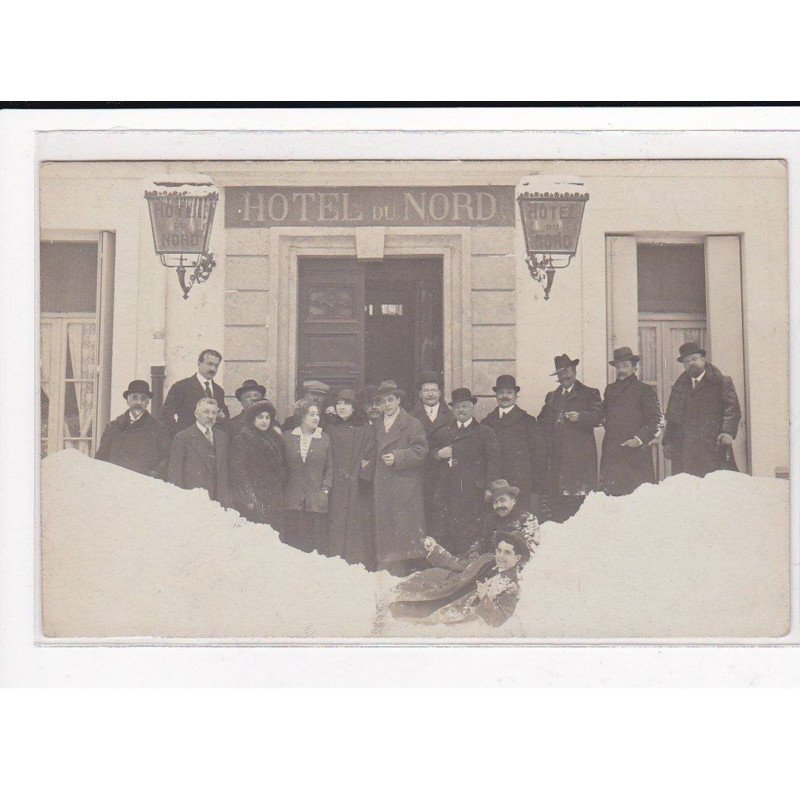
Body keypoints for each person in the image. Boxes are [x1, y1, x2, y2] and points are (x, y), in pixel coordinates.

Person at [388, 529, 534, 628]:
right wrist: (435, 549)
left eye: (507, 553)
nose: (500, 556)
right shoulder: (488, 559)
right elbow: (459, 564)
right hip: (448, 590)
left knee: (411, 619)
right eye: (499, 550)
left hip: (457, 609)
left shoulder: (511, 587)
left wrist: (483, 598)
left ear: (518, 557)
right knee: (399, 601)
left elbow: (498, 619)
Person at [429, 387, 501, 555]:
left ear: (472, 407)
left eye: (465, 406)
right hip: (448, 492)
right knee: (448, 532)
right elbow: (429, 454)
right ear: (453, 409)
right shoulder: (443, 432)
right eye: (457, 407)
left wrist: (490, 488)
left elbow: (494, 463)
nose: (461, 410)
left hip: (474, 492)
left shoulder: (485, 432)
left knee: (472, 532)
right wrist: (438, 454)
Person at [538, 354, 603, 523]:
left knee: (579, 506)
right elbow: (542, 421)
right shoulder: (552, 397)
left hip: (579, 462)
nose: (564, 376)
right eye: (560, 373)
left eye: (567, 371)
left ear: (574, 371)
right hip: (557, 461)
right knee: (558, 506)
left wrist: (581, 417)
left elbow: (599, 417)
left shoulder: (589, 393)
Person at [373, 380, 429, 575]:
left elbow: (421, 451)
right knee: (386, 525)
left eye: (390, 400)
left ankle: (402, 569)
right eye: (382, 401)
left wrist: (398, 456)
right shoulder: (377, 423)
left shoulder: (412, 423)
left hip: (404, 485)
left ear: (398, 400)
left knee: (403, 527)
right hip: (383, 483)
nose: (386, 405)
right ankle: (388, 566)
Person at [662, 342, 742, 477]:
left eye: (694, 359)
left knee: (714, 486)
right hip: (684, 447)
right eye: (687, 361)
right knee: (687, 488)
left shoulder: (721, 381)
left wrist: (727, 432)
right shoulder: (679, 386)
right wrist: (668, 442)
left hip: (713, 444)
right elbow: (672, 416)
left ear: (703, 360)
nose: (691, 363)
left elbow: (732, 409)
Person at [600, 346, 663, 496]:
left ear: (634, 367)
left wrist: (638, 440)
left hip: (636, 455)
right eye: (618, 366)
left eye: (625, 366)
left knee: (638, 499)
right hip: (613, 453)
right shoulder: (610, 390)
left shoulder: (645, 390)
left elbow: (657, 420)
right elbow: (604, 415)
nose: (621, 370)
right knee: (613, 500)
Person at [481, 374, 547, 516]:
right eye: (501, 392)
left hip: (520, 482)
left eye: (509, 392)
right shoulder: (487, 422)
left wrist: (535, 484)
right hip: (495, 482)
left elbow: (538, 455)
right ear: (496, 395)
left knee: (520, 521)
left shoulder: (528, 422)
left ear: (516, 396)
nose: (505, 396)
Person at [326, 388, 377, 569]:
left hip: (357, 485)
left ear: (354, 407)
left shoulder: (366, 429)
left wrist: (363, 477)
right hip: (337, 486)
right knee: (336, 523)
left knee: (357, 525)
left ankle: (358, 563)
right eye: (339, 403)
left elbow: (370, 455)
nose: (342, 407)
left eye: (346, 404)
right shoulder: (330, 429)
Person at [281, 399, 333, 555]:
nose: (316, 418)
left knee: (315, 544)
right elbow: (281, 465)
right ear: (301, 416)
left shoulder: (324, 438)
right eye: (311, 414)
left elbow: (330, 468)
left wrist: (325, 490)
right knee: (294, 543)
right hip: (292, 499)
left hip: (316, 500)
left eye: (317, 414)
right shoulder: (287, 437)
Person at [228, 400, 286, 529]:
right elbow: (238, 473)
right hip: (254, 498)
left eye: (267, 417)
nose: (264, 421)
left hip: (274, 497)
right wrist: (249, 500)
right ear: (252, 419)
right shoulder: (243, 439)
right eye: (260, 417)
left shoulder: (275, 439)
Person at [95, 379, 170, 479]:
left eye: (143, 398)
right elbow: (101, 458)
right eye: (135, 398)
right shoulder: (113, 427)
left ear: (148, 402)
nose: (139, 402)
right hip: (116, 483)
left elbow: (166, 458)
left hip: (144, 485)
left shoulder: (159, 428)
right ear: (127, 400)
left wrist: (152, 475)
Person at [410, 370, 455, 535]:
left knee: (441, 515)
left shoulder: (451, 416)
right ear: (420, 394)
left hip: (443, 476)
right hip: (420, 474)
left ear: (440, 393)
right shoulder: (411, 417)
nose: (430, 394)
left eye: (433, 390)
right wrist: (435, 454)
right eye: (426, 390)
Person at [167, 397, 230, 507]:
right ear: (196, 414)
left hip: (220, 501)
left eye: (214, 413)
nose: (210, 416)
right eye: (206, 412)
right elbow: (175, 475)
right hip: (194, 500)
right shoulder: (183, 437)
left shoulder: (222, 437)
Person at [160, 349, 230, 436]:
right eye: (209, 364)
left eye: (216, 366)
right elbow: (166, 415)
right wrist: (178, 436)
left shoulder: (219, 391)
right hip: (188, 442)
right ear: (199, 363)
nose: (213, 369)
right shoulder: (181, 387)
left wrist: (222, 416)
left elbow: (225, 417)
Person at [476, 479, 540, 556]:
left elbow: (528, 551)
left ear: (513, 501)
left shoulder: (526, 519)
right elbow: (482, 542)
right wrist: (475, 550)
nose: (499, 505)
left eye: (502, 500)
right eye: (495, 502)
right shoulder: (490, 520)